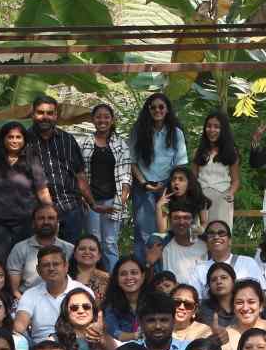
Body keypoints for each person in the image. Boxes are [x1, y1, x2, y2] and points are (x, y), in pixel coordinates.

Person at [0, 120, 53, 265]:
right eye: (10, 137)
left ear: (24, 139)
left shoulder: (31, 158)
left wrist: (51, 213)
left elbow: (42, 189)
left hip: (26, 221)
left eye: (18, 137)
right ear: (3, 138)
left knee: (26, 262)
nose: (14, 141)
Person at [129, 92, 190, 260]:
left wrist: (169, 184)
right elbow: (132, 161)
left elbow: (180, 164)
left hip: (167, 188)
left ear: (167, 110)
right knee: (144, 232)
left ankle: (165, 272)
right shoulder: (138, 131)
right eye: (153, 107)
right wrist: (143, 183)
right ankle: (144, 271)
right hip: (144, 187)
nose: (157, 110)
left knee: (167, 230)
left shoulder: (176, 133)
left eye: (161, 107)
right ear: (148, 110)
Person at [26, 94, 92, 243]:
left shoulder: (67, 140)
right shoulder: (23, 140)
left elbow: (80, 174)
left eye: (50, 113)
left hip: (70, 208)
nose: (45, 117)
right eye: (40, 112)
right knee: (40, 257)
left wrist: (91, 202)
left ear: (56, 115)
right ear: (33, 114)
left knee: (70, 254)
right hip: (36, 212)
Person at [78, 102, 130, 269]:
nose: (102, 120)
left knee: (109, 243)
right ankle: (93, 278)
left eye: (106, 117)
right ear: (93, 119)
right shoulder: (84, 143)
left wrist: (121, 201)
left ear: (112, 120)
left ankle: (113, 279)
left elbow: (126, 175)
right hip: (91, 200)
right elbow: (79, 174)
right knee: (93, 241)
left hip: (112, 200)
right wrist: (85, 199)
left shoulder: (121, 144)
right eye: (98, 117)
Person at [14, 245, 94, 343]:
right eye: (46, 265)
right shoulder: (30, 295)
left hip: (75, 345)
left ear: (66, 267)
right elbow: (19, 326)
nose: (51, 268)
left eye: (56, 264)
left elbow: (94, 325)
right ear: (39, 270)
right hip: (41, 349)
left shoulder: (83, 292)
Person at [6, 204, 76, 295]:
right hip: (28, 300)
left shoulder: (69, 249)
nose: (46, 222)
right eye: (41, 218)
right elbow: (14, 291)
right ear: (33, 223)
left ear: (57, 222)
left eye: (51, 218)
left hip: (63, 300)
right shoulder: (20, 249)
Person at [188, 220, 263, 296]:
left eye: (221, 233)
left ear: (230, 240)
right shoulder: (199, 270)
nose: (216, 237)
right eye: (211, 234)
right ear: (207, 242)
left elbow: (262, 293)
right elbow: (195, 299)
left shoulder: (247, 263)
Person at [194, 110, 240, 226]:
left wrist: (230, 193)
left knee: (220, 235)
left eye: (216, 127)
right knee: (201, 236)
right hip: (201, 199)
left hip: (222, 197)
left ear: (223, 130)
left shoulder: (231, 152)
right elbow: (193, 179)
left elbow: (235, 180)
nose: (212, 130)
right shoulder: (198, 152)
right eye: (209, 126)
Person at [147, 202, 208, 282]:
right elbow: (151, 283)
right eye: (176, 218)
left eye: (186, 218)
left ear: (193, 221)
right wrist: (149, 263)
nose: (181, 222)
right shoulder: (162, 247)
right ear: (170, 221)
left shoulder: (207, 246)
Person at [100, 257, 147, 346]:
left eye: (134, 273)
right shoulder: (110, 306)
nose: (129, 277)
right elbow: (115, 333)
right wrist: (137, 335)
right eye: (123, 274)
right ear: (117, 279)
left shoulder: (154, 301)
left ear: (143, 276)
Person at [153, 165, 210, 236]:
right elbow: (162, 231)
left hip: (193, 235)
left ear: (189, 184)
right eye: (174, 179)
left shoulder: (198, 198)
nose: (176, 182)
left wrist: (198, 231)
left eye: (181, 179)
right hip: (174, 237)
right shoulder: (166, 202)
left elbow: (204, 222)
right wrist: (159, 206)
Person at [197, 261, 237, 335]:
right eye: (214, 280)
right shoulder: (204, 309)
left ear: (233, 282)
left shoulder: (242, 305)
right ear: (209, 285)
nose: (219, 282)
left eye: (224, 278)